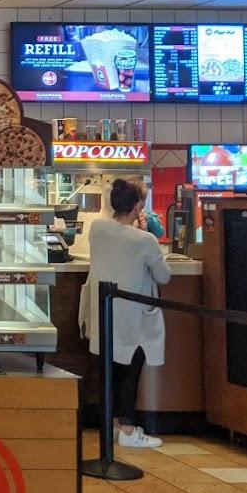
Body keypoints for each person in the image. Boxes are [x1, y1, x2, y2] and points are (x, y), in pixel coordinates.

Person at [82, 178, 173, 450]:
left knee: (109, 370)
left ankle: (111, 426)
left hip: (105, 314)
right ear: (138, 207)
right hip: (133, 316)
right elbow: (164, 276)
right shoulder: (145, 240)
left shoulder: (98, 229)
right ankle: (129, 429)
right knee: (130, 371)